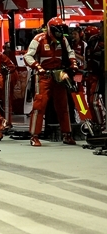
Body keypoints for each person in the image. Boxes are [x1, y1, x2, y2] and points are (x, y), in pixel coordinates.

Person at [23, 17, 78, 146]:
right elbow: (27, 56)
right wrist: (38, 67)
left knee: (63, 106)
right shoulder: (39, 39)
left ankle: (67, 134)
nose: (59, 35)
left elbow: (70, 52)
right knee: (39, 106)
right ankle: (34, 136)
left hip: (59, 74)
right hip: (43, 76)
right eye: (57, 32)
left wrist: (73, 63)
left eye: (61, 32)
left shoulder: (63, 39)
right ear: (50, 30)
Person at [82, 25, 105, 130]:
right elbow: (87, 61)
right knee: (89, 101)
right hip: (90, 76)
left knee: (94, 101)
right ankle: (95, 122)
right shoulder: (88, 48)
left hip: (98, 76)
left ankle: (100, 123)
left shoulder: (102, 46)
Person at [0, 51, 17, 129]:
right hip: (7, 74)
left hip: (9, 74)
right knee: (4, 98)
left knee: (7, 100)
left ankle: (7, 123)